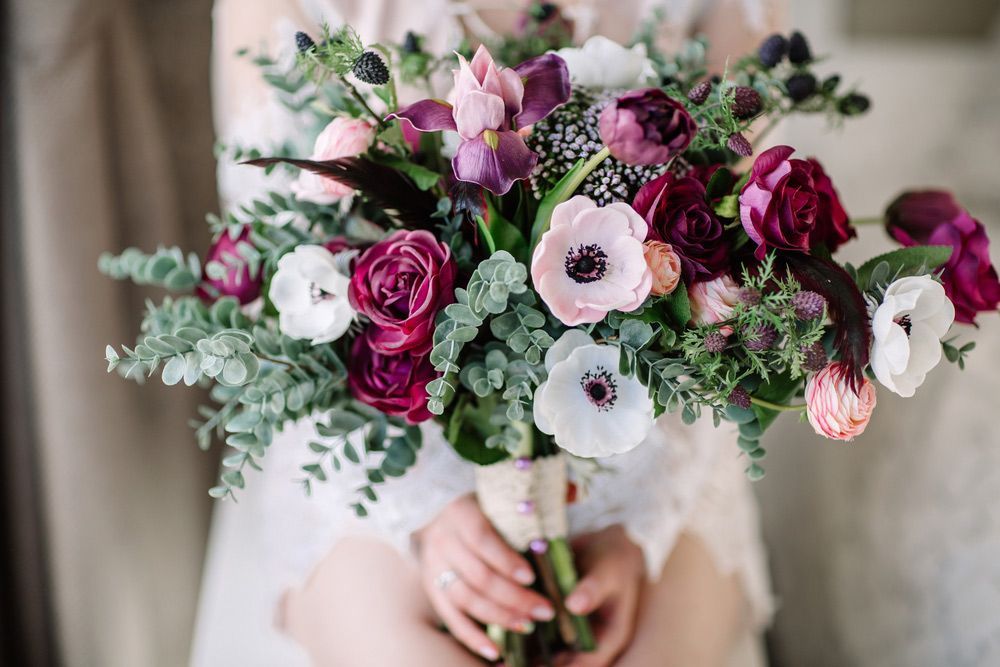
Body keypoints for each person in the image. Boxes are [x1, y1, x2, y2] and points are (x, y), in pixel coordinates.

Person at [193, 1, 783, 665]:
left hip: (645, 421)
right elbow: (284, 294)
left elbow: (727, 284)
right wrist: (425, 514)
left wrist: (639, 524)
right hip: (384, 437)